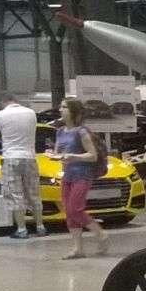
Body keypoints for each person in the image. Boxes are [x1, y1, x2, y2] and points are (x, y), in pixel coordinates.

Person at [48, 98, 109, 259]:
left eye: (64, 107)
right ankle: (78, 248)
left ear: (73, 111)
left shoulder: (81, 132)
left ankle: (100, 233)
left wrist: (73, 156)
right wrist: (53, 155)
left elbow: (93, 156)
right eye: (61, 107)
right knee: (69, 212)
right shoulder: (60, 132)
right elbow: (58, 153)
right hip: (67, 176)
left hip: (82, 175)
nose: (60, 110)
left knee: (76, 209)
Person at [0, 93, 46, 239]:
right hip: (30, 157)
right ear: (16, 101)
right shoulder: (31, 113)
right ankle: (40, 226)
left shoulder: (0, 115)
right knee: (34, 193)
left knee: (15, 194)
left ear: (3, 102)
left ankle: (22, 229)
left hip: (11, 157)